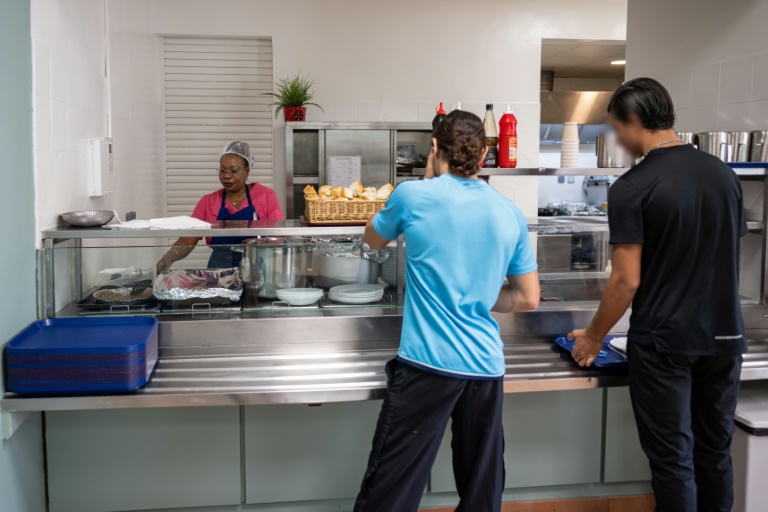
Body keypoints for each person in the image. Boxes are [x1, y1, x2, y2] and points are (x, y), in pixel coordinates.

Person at [568, 78, 747, 512]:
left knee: (673, 462)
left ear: (634, 121)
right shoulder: (724, 174)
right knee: (715, 453)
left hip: (665, 342)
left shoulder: (632, 186)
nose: (617, 139)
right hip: (725, 336)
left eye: (615, 129)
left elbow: (625, 281)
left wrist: (593, 337)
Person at [353, 110, 540, 512]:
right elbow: (527, 298)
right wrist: (474, 295)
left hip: (427, 364)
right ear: (484, 153)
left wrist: (425, 180)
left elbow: (372, 239)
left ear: (434, 149)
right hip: (485, 368)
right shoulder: (509, 212)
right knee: (481, 490)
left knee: (389, 489)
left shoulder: (413, 195)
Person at [156, 141, 283, 271]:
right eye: (222, 170)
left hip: (256, 269)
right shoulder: (208, 201)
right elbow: (188, 238)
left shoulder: (266, 196)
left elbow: (278, 237)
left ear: (246, 172)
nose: (226, 176)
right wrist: (169, 257)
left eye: (233, 171)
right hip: (219, 270)